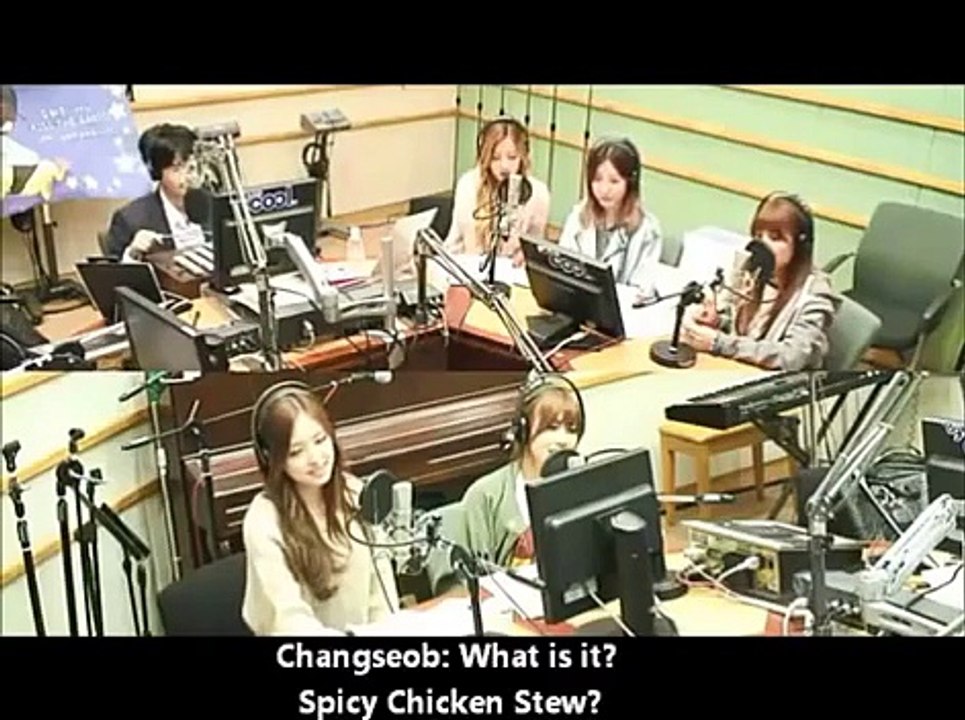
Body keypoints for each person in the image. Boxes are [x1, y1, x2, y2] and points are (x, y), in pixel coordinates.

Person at [241, 382, 398, 635]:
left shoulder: (355, 492)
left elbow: (382, 595)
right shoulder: (264, 521)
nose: (315, 458)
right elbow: (289, 620)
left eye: (320, 440)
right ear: (271, 457)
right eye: (296, 452)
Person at [426, 374, 584, 594]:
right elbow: (475, 581)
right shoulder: (486, 495)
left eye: (571, 429)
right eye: (552, 427)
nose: (563, 439)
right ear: (523, 430)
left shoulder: (582, 486)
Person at [682, 191, 840, 371]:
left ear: (799, 245)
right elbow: (745, 334)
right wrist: (717, 321)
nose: (763, 245)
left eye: (775, 237)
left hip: (782, 384)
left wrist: (719, 343)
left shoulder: (815, 294)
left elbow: (792, 357)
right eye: (758, 236)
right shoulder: (753, 272)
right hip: (740, 371)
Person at [557, 136, 663, 301]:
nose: (604, 189)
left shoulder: (647, 231)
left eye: (614, 181)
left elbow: (642, 290)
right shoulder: (579, 216)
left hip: (622, 311)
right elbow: (561, 267)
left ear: (630, 183)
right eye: (597, 180)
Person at [444, 116, 550, 262]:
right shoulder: (468, 185)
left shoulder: (538, 193)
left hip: (512, 271)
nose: (504, 166)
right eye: (495, 158)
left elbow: (536, 248)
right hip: (467, 265)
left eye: (512, 157)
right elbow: (463, 246)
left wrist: (525, 256)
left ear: (523, 157)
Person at [104, 123, 206, 261]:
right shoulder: (130, 219)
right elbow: (113, 271)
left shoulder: (217, 206)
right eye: (177, 169)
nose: (189, 175)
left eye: (192, 167)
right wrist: (132, 253)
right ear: (156, 172)